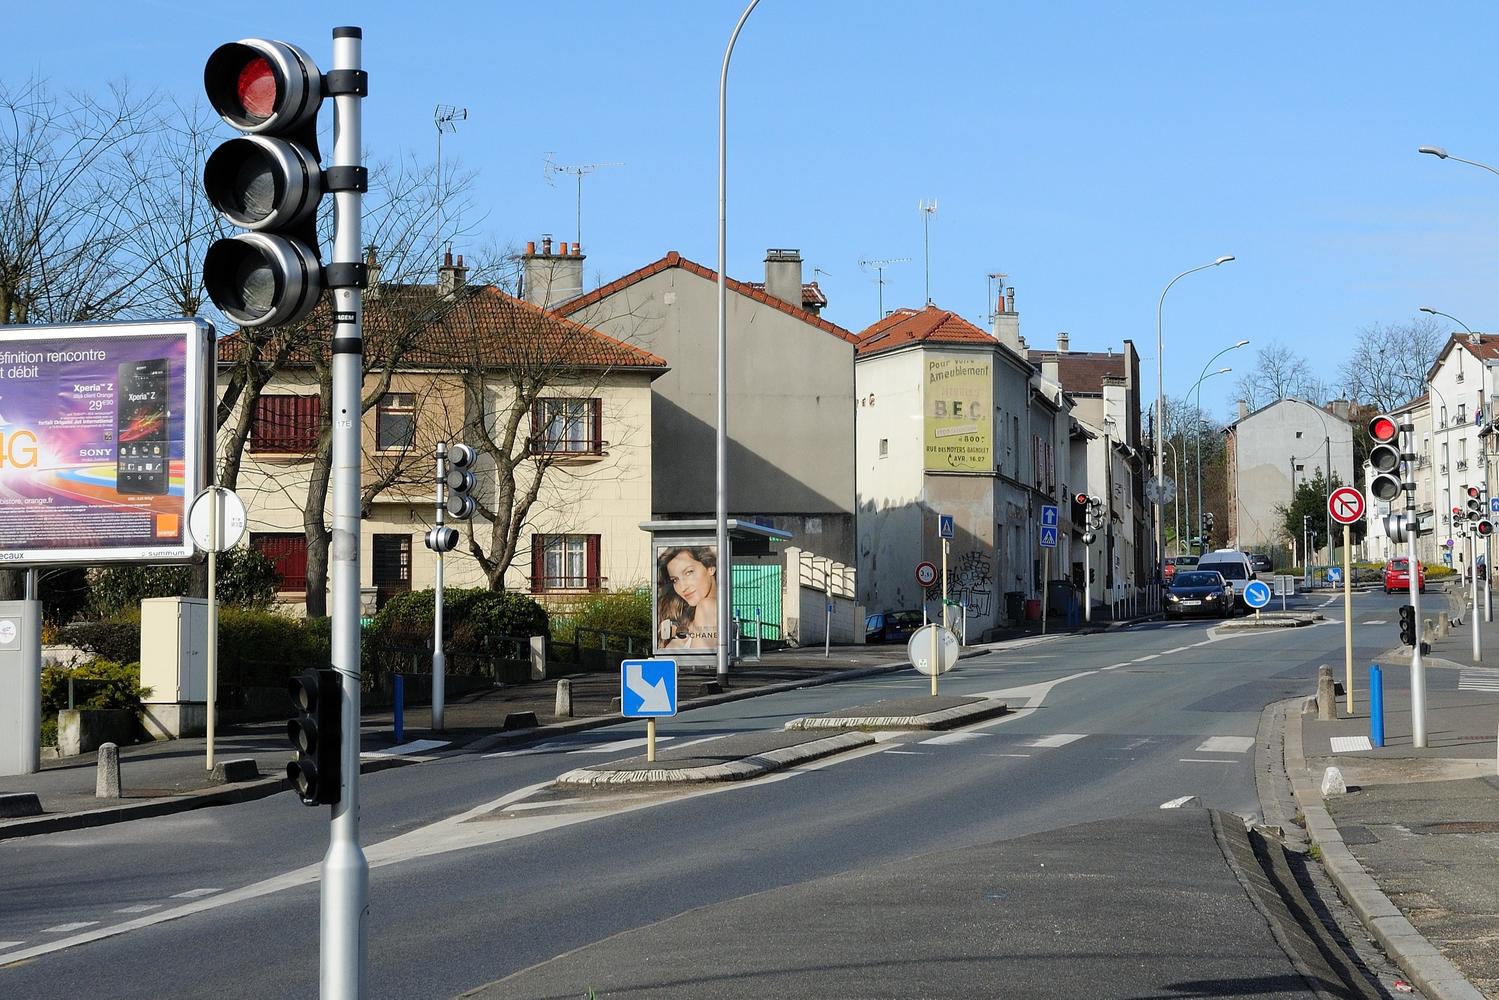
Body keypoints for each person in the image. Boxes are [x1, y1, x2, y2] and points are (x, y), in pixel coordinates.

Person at [657, 546, 718, 649]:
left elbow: (701, 662)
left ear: (710, 567)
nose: (683, 587)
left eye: (689, 572)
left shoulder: (708, 606)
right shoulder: (691, 616)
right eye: (675, 580)